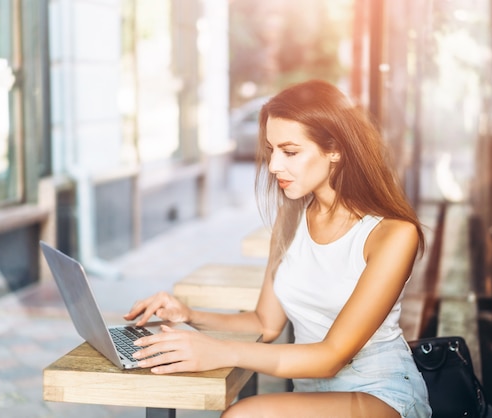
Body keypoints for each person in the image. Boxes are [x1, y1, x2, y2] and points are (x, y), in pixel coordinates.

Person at [124, 79, 432, 418]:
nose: (273, 166)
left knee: (243, 415)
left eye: (291, 152)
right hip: (309, 396)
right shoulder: (291, 219)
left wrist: (221, 351)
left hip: (379, 394)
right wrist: (190, 315)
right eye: (271, 151)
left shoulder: (391, 235)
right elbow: (265, 323)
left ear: (335, 149)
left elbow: (331, 357)